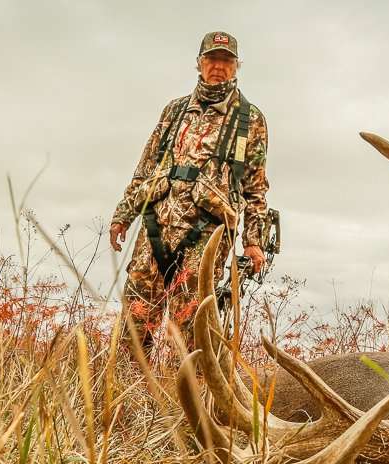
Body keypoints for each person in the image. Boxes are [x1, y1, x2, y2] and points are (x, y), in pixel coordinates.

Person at [109, 30, 269, 355]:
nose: (218, 66)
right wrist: (123, 215)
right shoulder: (174, 111)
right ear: (199, 63)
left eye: (226, 61)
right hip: (154, 226)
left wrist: (254, 242)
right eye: (212, 59)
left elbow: (255, 187)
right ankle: (128, 387)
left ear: (236, 66)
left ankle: (188, 389)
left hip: (206, 235)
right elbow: (145, 166)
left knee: (191, 331)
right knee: (134, 324)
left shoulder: (250, 119)